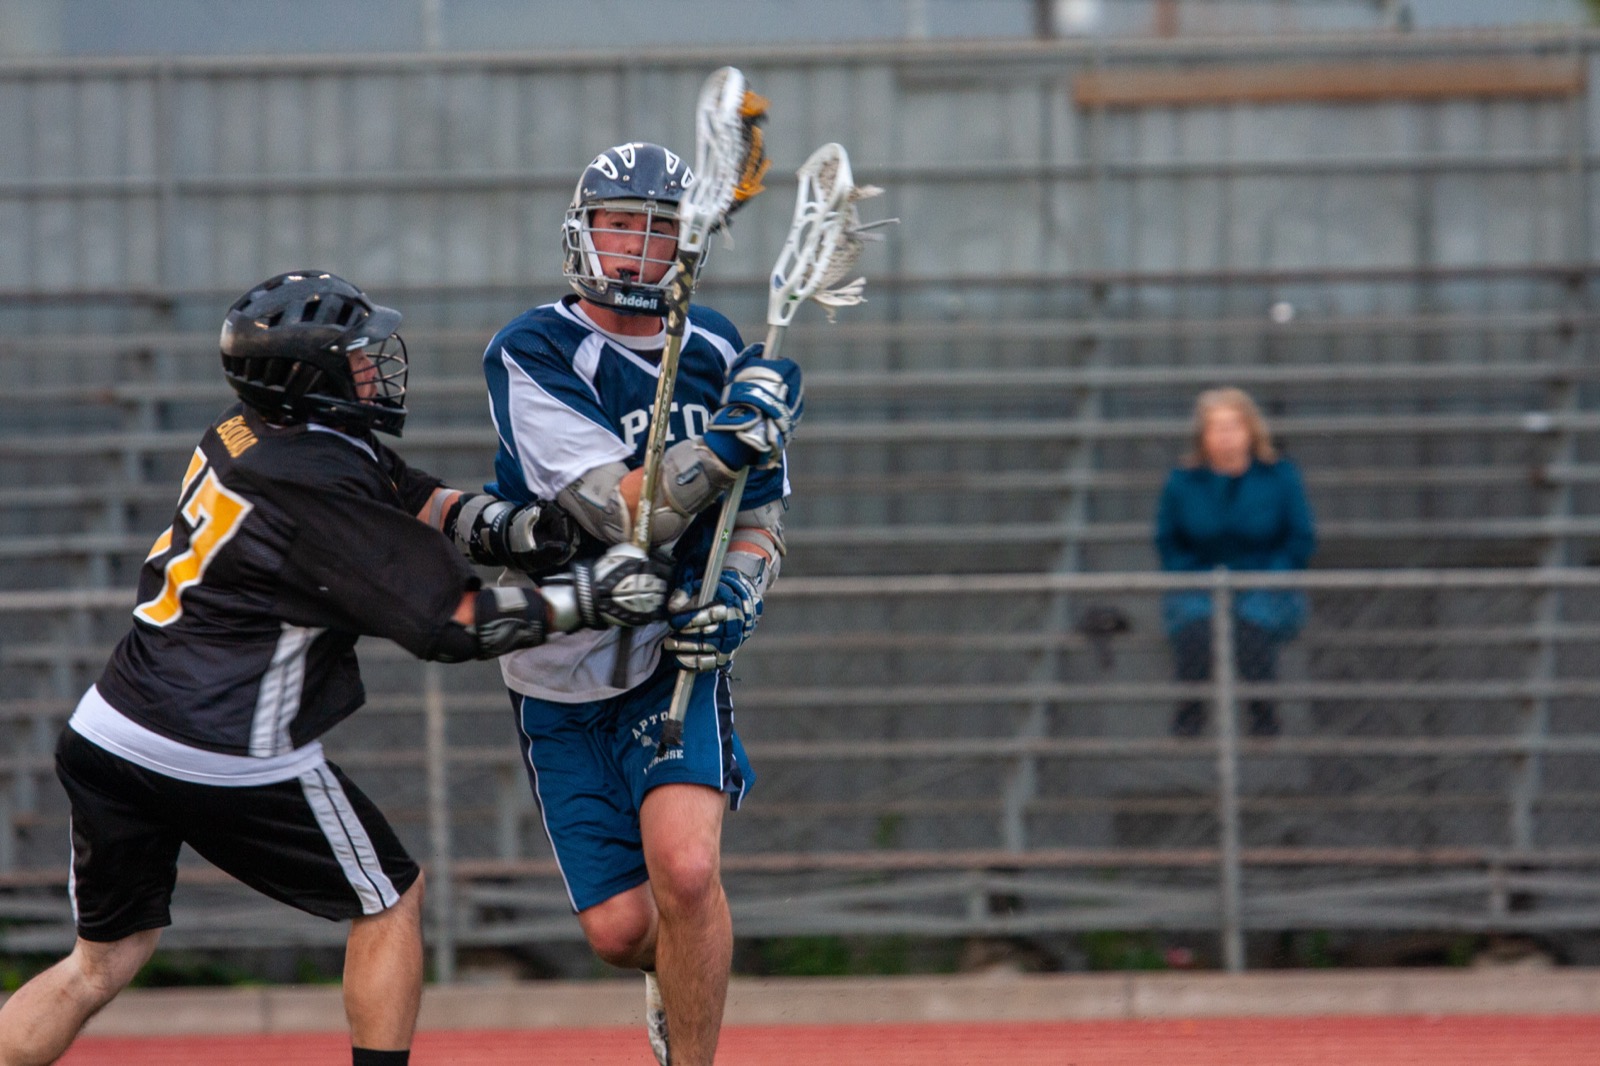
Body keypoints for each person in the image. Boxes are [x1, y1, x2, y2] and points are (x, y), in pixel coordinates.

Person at [0, 271, 667, 1066]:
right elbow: (451, 628)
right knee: (390, 899)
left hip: (110, 728)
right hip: (223, 745)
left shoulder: (247, 432)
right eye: (353, 357)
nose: (373, 369)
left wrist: (500, 525)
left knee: (99, 962)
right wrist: (588, 598)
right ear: (306, 377)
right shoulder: (316, 484)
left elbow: (400, 489)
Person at [481, 142, 802, 1066]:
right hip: (559, 665)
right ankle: (675, 976)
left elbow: (762, 518)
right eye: (618, 225)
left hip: (673, 658)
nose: (633, 249)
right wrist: (731, 443)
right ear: (584, 234)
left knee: (690, 874)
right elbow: (622, 512)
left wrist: (739, 594)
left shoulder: (719, 351)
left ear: (685, 249)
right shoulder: (530, 351)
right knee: (623, 931)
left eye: (656, 231)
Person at [1154, 387, 1316, 738]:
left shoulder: (1280, 476)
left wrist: (1272, 577)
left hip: (1266, 581)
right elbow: (1168, 541)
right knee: (1197, 629)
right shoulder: (1182, 482)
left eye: (1233, 426)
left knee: (1250, 628)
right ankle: (1190, 717)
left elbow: (1300, 538)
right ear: (1203, 436)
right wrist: (1194, 576)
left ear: (1250, 431)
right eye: (1216, 428)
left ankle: (1264, 719)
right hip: (1200, 581)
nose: (1225, 436)